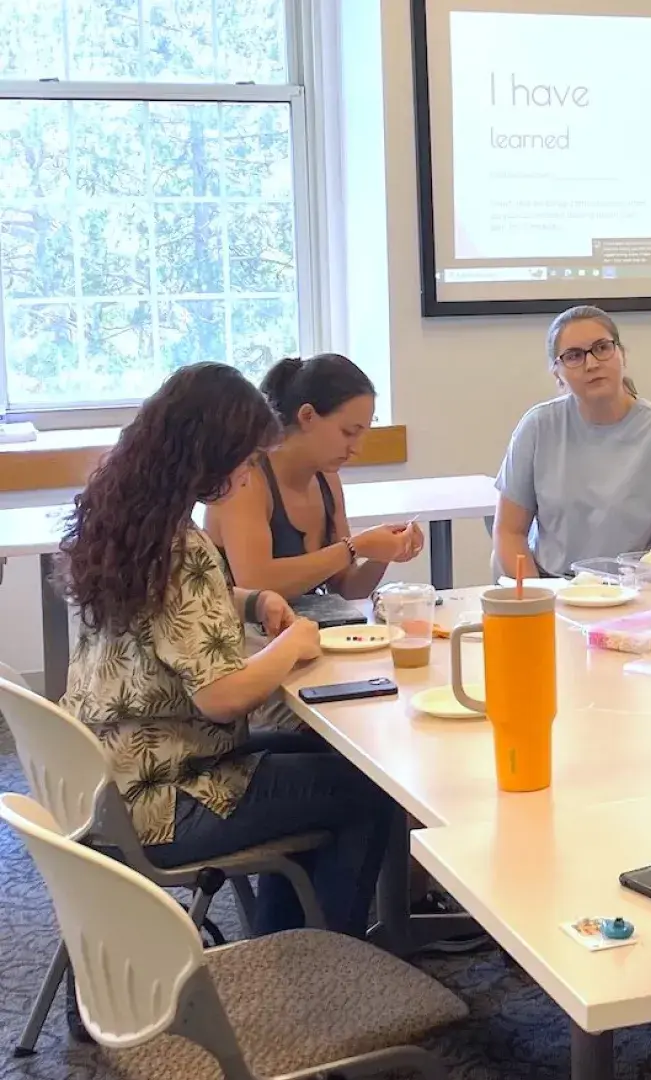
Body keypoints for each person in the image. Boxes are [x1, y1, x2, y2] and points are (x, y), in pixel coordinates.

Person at [59, 363, 399, 935]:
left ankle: (289, 942)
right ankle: (330, 969)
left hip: (108, 775)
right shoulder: (181, 548)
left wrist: (247, 602)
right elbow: (222, 697)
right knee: (369, 792)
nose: (246, 476)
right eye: (243, 461)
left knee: (332, 762)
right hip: (167, 797)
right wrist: (291, 643)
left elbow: (168, 608)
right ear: (209, 456)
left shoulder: (128, 524)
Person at [494, 306, 651, 576]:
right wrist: (538, 599)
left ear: (622, 355)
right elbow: (509, 532)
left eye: (602, 348)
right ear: (557, 372)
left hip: (636, 594)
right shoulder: (537, 427)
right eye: (574, 356)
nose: (592, 364)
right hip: (553, 588)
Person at [207, 353, 422, 599]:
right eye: (348, 432)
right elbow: (256, 582)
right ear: (307, 416)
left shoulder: (326, 479)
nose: (357, 448)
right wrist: (355, 547)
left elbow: (347, 588)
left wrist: (383, 554)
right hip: (247, 635)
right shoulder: (246, 478)